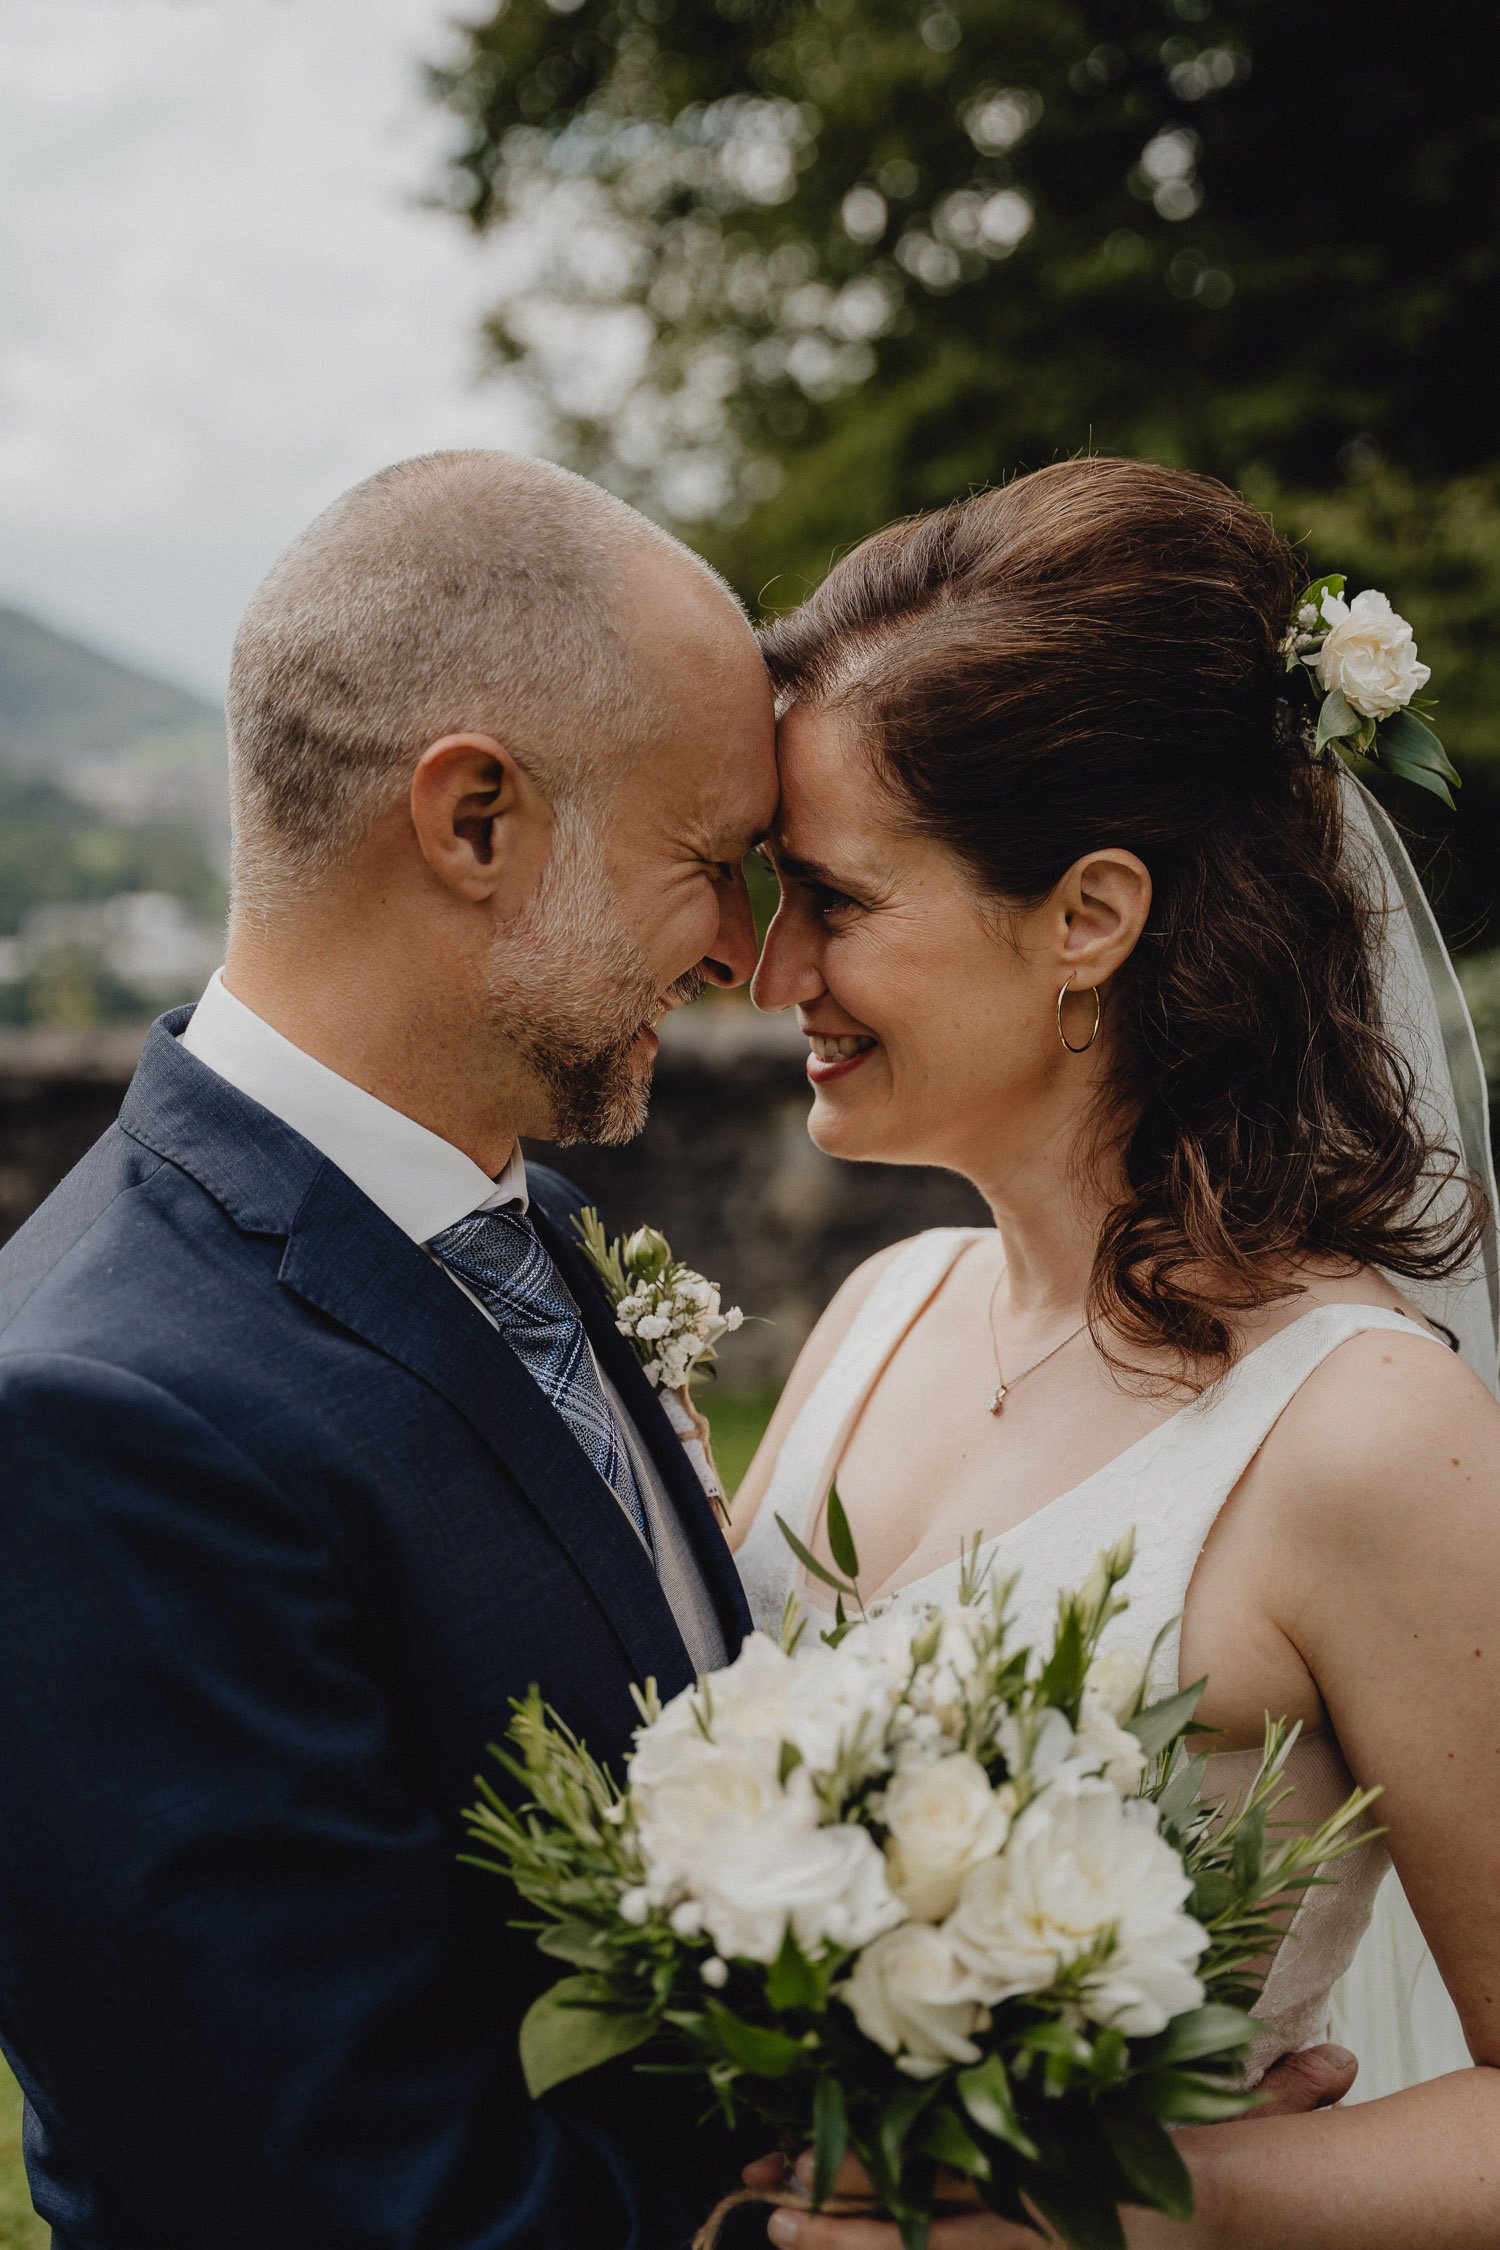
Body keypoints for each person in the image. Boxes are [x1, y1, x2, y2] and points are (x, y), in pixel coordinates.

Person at [0, 451, 778, 2249]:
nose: (746, 951)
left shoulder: (536, 1226)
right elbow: (347, 2200)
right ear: (475, 818)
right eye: (706, 861)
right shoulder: (92, 1420)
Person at [728, 458, 1500, 2247]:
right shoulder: (874, 1318)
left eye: (836, 899)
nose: (777, 972)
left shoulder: (1367, 1434)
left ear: (1090, 916)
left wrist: (1169, 2192)